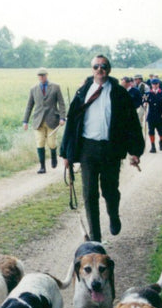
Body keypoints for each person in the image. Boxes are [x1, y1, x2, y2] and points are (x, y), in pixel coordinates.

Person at [60, 54, 144, 241]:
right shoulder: (83, 92)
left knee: (110, 190)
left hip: (111, 149)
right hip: (87, 149)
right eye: (96, 66)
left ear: (109, 69)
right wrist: (66, 152)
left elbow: (131, 124)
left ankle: (113, 216)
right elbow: (72, 123)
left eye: (103, 66)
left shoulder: (119, 93)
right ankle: (96, 237)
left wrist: (135, 151)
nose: (100, 69)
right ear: (92, 70)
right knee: (89, 194)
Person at [22, 68, 66, 173]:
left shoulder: (55, 87)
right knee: (40, 142)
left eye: (43, 75)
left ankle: (54, 156)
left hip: (52, 120)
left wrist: (62, 117)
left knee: (51, 143)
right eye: (39, 75)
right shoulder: (33, 89)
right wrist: (25, 121)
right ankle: (42, 167)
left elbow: (61, 103)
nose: (41, 77)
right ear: (37, 77)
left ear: (47, 75)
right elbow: (29, 106)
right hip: (38, 121)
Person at [145, 77, 162, 153]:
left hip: (160, 115)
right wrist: (144, 103)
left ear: (158, 84)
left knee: (161, 131)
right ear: (151, 85)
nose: (154, 85)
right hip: (151, 116)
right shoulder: (148, 94)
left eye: (156, 84)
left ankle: (161, 141)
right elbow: (144, 101)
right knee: (151, 131)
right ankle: (153, 146)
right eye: (153, 84)